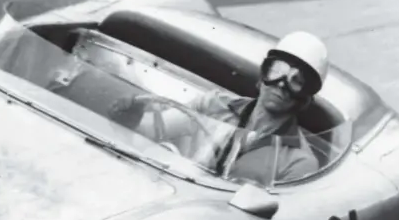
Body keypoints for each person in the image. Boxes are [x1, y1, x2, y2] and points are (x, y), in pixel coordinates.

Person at [110, 31, 330, 184]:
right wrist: (128, 116)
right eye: (277, 71)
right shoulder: (214, 105)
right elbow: (152, 130)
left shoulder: (298, 161)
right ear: (263, 74)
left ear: (306, 98)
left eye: (296, 81)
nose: (281, 84)